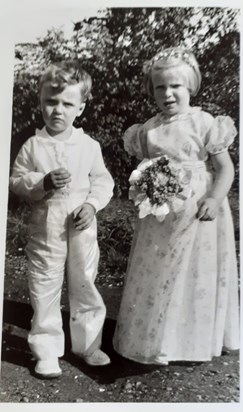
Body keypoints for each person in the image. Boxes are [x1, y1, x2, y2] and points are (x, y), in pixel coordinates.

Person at [113, 47, 239, 365]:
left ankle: (191, 337)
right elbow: (144, 170)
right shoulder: (148, 130)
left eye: (175, 86)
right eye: (160, 87)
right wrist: (144, 189)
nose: (167, 94)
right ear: (151, 90)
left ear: (190, 87)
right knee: (160, 271)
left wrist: (214, 198)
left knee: (194, 273)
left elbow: (225, 169)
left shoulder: (205, 122)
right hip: (160, 215)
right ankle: (157, 337)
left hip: (198, 213)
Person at [10, 61, 114, 378]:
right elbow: (16, 181)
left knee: (84, 283)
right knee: (44, 286)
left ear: (80, 108)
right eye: (50, 102)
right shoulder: (32, 145)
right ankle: (46, 349)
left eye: (67, 104)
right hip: (46, 231)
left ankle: (87, 344)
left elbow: (103, 181)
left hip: (82, 229)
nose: (57, 110)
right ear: (40, 102)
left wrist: (92, 205)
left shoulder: (89, 145)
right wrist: (41, 182)